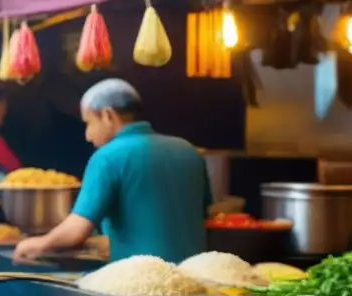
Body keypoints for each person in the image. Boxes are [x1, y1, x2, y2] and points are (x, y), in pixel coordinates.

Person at [14, 79, 211, 264]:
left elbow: (77, 230)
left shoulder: (107, 157)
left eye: (89, 123)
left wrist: (37, 244)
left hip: (140, 283)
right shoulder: (189, 151)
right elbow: (200, 215)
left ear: (108, 115)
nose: (87, 135)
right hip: (194, 277)